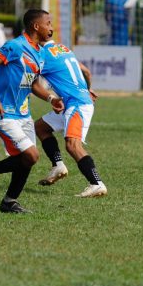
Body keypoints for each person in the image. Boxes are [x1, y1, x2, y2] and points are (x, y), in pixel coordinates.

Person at [0, 9, 63, 214]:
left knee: (26, 160)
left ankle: (9, 202)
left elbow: (33, 84)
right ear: (36, 26)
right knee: (32, 156)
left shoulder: (39, 53)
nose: (51, 27)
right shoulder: (15, 46)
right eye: (48, 23)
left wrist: (51, 98)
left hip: (24, 114)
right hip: (4, 113)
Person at [34, 40, 107, 197]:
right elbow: (86, 71)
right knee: (40, 127)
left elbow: (33, 82)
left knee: (73, 145)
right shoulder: (64, 49)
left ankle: (96, 183)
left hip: (77, 105)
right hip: (74, 103)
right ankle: (58, 166)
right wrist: (87, 89)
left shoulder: (43, 55)